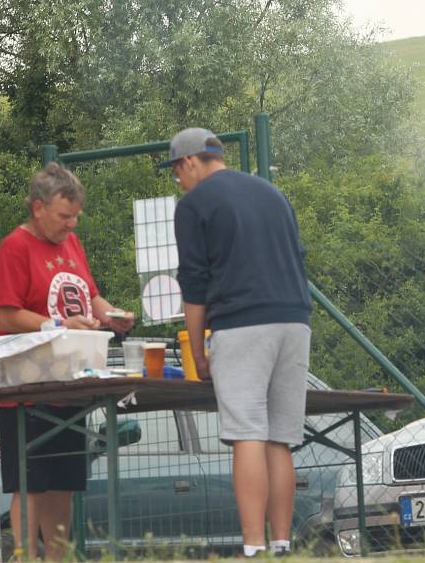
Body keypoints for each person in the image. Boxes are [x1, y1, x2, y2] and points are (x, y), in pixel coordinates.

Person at [163, 127, 312, 557]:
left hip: (243, 325)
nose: (179, 182)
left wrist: (197, 352)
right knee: (280, 438)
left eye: (177, 172)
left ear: (189, 162)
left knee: (246, 434)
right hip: (294, 320)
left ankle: (253, 548)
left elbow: (194, 283)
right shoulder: (274, 194)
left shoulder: (194, 205)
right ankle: (283, 543)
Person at [0, 162, 135, 560]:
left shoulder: (71, 244)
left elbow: (90, 293)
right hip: (28, 386)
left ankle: (58, 557)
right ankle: (25, 556)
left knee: (64, 484)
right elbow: (5, 315)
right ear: (38, 208)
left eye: (75, 217)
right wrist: (57, 324)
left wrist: (110, 314)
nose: (71, 225)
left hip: (70, 383)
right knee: (29, 483)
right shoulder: (14, 248)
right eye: (63, 216)